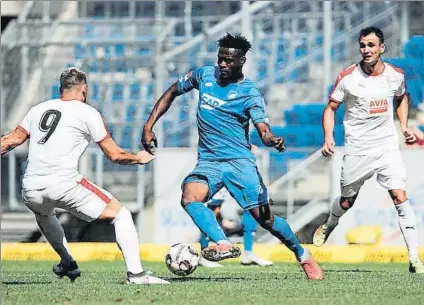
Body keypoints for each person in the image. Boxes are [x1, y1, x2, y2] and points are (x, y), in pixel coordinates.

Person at [142, 33, 323, 280]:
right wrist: (148, 125)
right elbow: (173, 91)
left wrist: (272, 140)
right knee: (189, 197)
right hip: (208, 161)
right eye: (220, 59)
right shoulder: (204, 75)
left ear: (242, 61)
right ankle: (222, 243)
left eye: (229, 60)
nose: (223, 65)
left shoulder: (249, 93)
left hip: (239, 162)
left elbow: (263, 129)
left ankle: (303, 255)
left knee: (266, 220)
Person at [1, 67, 170, 284]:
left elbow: (11, 140)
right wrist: (138, 158)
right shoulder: (87, 112)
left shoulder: (38, 109)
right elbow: (114, 154)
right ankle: (136, 275)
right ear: (84, 88)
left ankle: (67, 262)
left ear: (61, 88)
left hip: (31, 187)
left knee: (44, 213)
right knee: (121, 214)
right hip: (63, 183)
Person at [313, 26, 424, 274]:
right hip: (357, 149)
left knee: (400, 196)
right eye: (363, 45)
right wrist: (328, 137)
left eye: (371, 45)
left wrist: (404, 125)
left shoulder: (395, 75)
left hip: (386, 146)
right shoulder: (348, 78)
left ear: (382, 48)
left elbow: (402, 97)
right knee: (346, 201)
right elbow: (330, 109)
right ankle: (331, 222)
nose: (366, 50)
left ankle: (415, 259)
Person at [198, 187, 273, 268]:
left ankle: (248, 253)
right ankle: (204, 255)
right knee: (213, 209)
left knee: (252, 205)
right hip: (221, 176)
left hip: (239, 176)